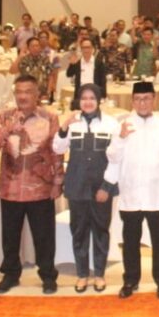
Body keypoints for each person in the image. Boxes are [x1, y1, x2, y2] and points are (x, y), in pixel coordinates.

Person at [0, 76, 64, 294]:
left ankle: (48, 276)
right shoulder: (3, 117)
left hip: (40, 187)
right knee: (10, 237)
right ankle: (11, 275)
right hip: (10, 187)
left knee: (44, 236)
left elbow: (57, 152)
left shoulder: (49, 118)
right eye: (19, 92)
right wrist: (7, 129)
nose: (23, 96)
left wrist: (58, 182)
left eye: (28, 91)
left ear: (37, 94)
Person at [109, 81, 159, 299]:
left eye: (147, 99)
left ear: (154, 100)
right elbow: (112, 157)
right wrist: (121, 138)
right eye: (138, 99)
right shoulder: (122, 126)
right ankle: (130, 280)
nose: (142, 103)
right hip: (131, 193)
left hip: (157, 194)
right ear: (132, 101)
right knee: (130, 242)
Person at [52, 84, 119, 293]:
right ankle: (82, 274)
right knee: (79, 232)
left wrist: (106, 187)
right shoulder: (72, 123)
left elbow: (117, 158)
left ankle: (99, 274)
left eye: (92, 98)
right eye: (84, 98)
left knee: (101, 231)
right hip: (77, 186)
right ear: (78, 101)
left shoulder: (111, 124)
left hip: (101, 187)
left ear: (99, 100)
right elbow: (57, 148)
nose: (88, 102)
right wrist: (64, 126)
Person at [65, 38, 107, 109]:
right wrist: (71, 64)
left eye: (88, 47)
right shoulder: (77, 63)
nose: (86, 50)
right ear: (81, 49)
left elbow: (103, 81)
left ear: (92, 49)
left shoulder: (99, 63)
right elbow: (69, 74)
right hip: (80, 95)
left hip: (95, 94)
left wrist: (103, 96)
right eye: (84, 48)